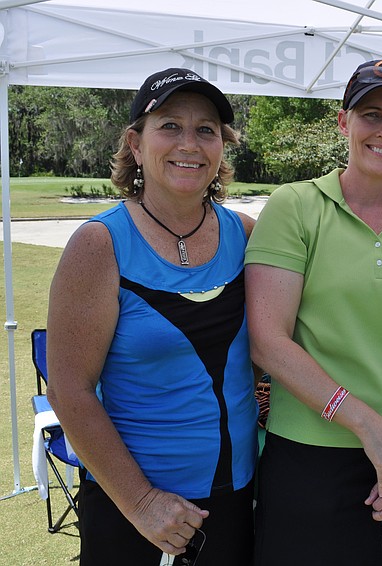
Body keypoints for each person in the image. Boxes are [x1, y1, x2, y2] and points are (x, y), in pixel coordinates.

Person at [246, 59, 382, 565]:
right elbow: (268, 340)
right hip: (311, 458)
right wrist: (369, 426)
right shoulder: (295, 206)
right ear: (344, 122)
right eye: (371, 114)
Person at [46, 68, 258, 565]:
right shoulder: (99, 245)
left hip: (236, 498)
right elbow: (69, 389)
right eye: (169, 126)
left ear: (221, 148)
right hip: (140, 512)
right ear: (136, 144)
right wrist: (142, 503)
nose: (190, 143)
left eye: (206, 129)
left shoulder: (247, 235)